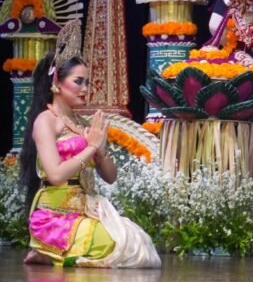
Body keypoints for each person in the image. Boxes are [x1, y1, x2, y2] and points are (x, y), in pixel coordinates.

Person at [19, 24, 161, 268]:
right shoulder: (46, 121)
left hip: (86, 211)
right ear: (57, 82)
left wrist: (101, 150)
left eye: (87, 82)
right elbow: (55, 175)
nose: (85, 89)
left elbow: (111, 178)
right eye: (79, 82)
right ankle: (48, 249)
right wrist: (90, 148)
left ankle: (51, 254)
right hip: (55, 217)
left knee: (140, 244)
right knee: (119, 246)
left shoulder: (83, 124)